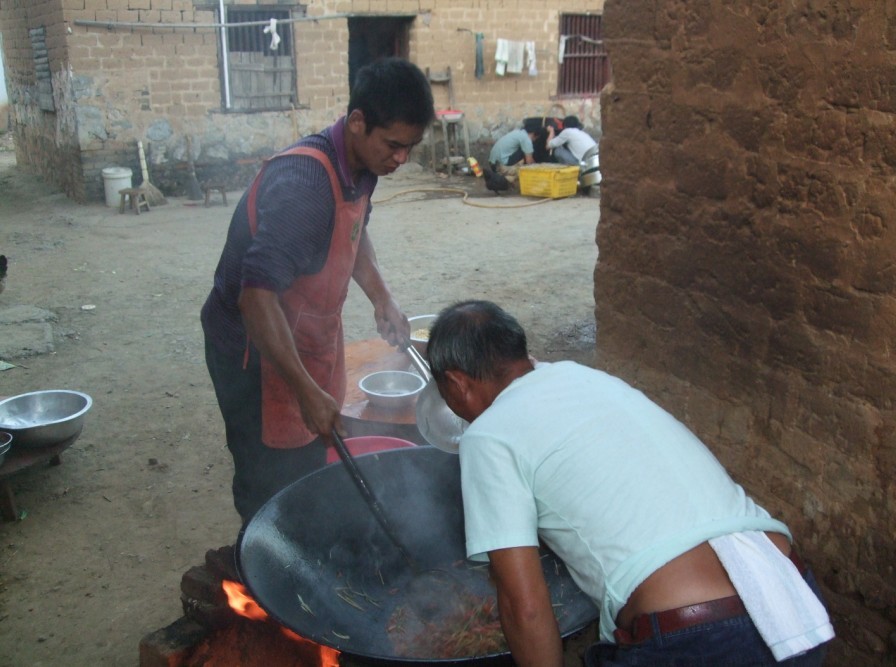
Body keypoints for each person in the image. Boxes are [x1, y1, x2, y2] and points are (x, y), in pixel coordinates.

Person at [426, 300, 835, 667]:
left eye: (447, 396)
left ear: (457, 382)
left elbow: (525, 609)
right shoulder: (585, 377)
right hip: (793, 603)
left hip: (698, 639)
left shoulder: (488, 434)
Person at [201, 58, 435, 524]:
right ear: (356, 122)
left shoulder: (364, 167)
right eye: (393, 145)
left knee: (310, 455)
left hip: (306, 332)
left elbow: (354, 232)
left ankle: (302, 533)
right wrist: (306, 391)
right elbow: (255, 298)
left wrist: (382, 298)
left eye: (409, 148)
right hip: (251, 350)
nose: (401, 159)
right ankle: (262, 559)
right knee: (266, 477)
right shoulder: (303, 188)